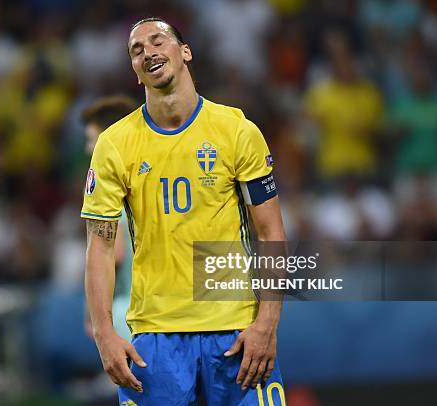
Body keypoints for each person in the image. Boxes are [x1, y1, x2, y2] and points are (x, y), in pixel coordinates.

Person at [81, 17, 286, 405]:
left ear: (184, 52)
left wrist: (267, 324)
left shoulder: (237, 131)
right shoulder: (115, 145)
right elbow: (101, 246)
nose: (148, 52)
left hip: (237, 332)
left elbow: (271, 233)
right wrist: (104, 333)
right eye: (137, 50)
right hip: (155, 342)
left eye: (158, 41)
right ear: (135, 71)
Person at [81, 95, 139, 342]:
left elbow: (112, 255)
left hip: (128, 314)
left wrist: (92, 315)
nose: (88, 148)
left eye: (92, 139)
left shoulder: (112, 198)